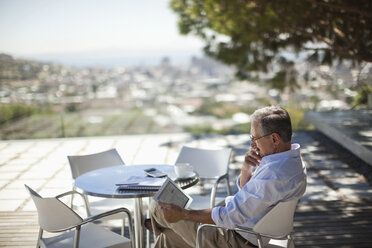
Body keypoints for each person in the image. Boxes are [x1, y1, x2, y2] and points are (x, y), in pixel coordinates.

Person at [145, 106, 307, 248]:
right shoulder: (290, 160)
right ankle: (165, 227)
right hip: (250, 231)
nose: (252, 145)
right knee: (167, 239)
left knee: (158, 207)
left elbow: (231, 215)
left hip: (234, 239)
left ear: (274, 139)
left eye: (255, 138)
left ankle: (159, 224)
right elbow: (254, 198)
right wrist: (246, 169)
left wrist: (184, 214)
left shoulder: (275, 173)